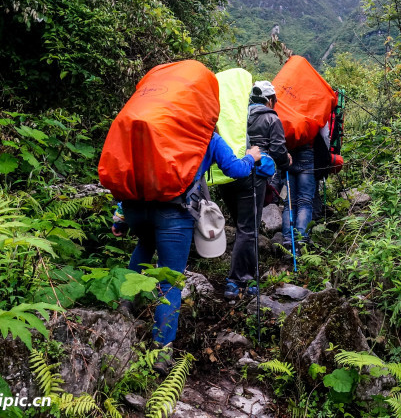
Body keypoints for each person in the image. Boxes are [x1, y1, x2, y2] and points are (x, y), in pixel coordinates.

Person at [119, 132, 262, 375]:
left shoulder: (151, 126)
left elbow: (132, 169)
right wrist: (251, 157)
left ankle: (124, 303)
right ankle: (161, 351)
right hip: (174, 210)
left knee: (144, 243)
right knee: (171, 280)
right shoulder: (205, 133)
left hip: (135, 206)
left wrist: (120, 215)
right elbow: (235, 170)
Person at [220, 81, 290, 299]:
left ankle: (240, 275)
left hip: (226, 176)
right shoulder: (271, 118)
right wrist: (286, 161)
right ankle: (239, 281)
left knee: (243, 228)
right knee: (248, 230)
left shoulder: (236, 115)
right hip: (252, 178)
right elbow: (278, 151)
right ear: (270, 100)